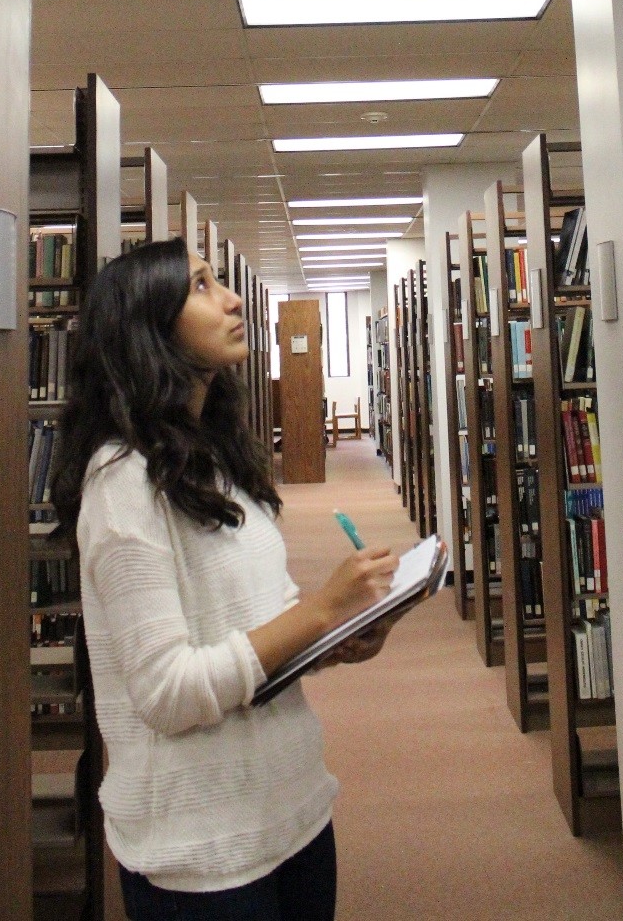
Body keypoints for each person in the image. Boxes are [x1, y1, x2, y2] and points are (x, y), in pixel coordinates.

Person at [51, 236, 399, 920]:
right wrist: (319, 612)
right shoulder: (122, 487)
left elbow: (253, 630)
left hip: (292, 812)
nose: (233, 298)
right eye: (202, 286)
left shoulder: (217, 461)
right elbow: (168, 693)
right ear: (150, 328)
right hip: (201, 852)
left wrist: (338, 637)